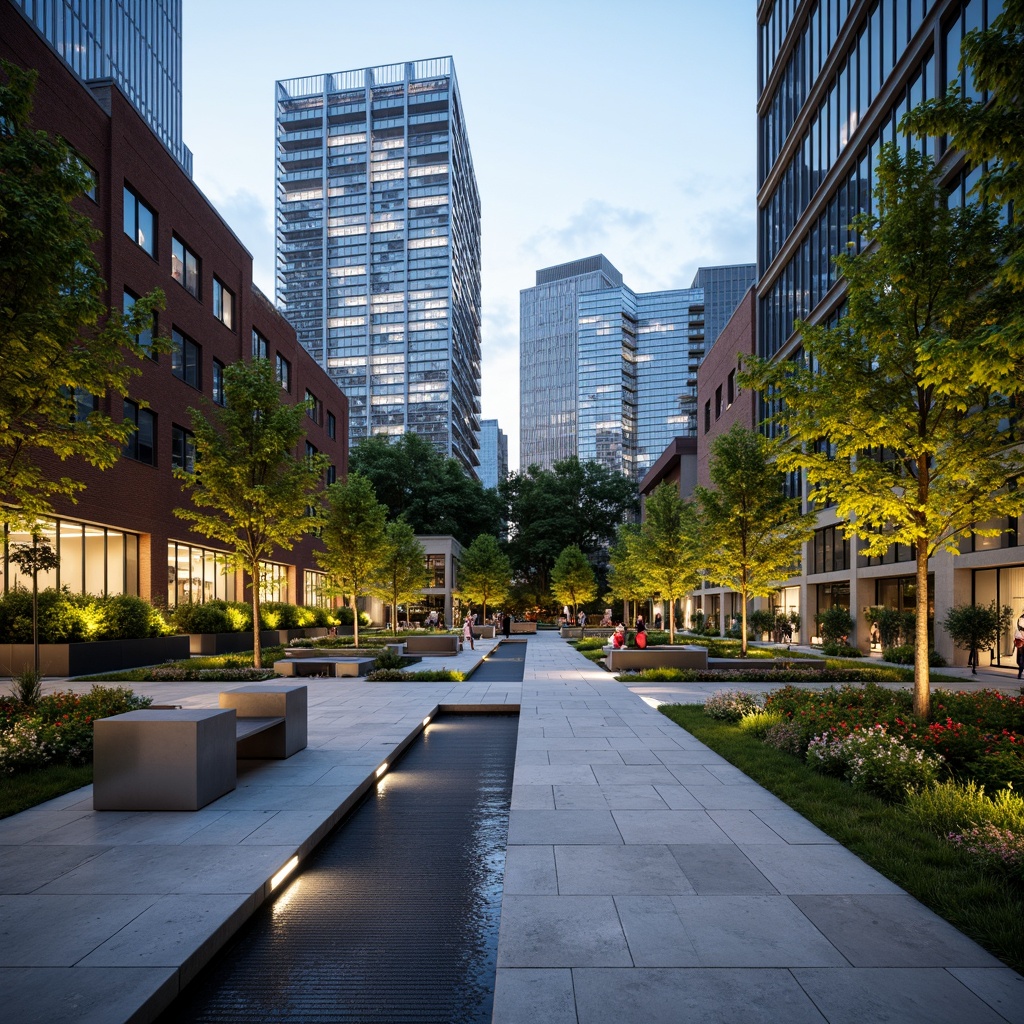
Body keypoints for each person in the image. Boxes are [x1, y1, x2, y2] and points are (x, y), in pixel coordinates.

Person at [1014, 613, 1024, 679]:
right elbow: (1020, 630)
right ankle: (1020, 673)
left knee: (1021, 658)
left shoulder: (1021, 618)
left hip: (1021, 641)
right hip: (1022, 641)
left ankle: (1020, 673)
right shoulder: (1021, 619)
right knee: (1022, 658)